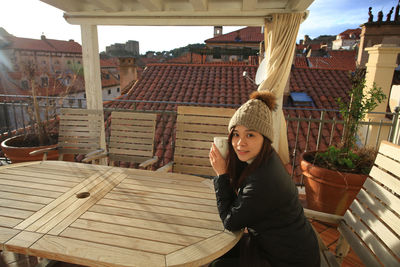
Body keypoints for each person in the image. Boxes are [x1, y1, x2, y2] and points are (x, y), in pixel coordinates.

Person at [209, 91, 320, 267]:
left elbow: (231, 222)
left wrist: (222, 174)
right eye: (236, 134)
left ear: (265, 138)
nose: (239, 143)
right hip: (283, 248)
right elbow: (240, 203)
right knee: (217, 253)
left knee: (218, 265)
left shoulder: (263, 179)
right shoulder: (264, 160)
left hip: (288, 260)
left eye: (250, 135)